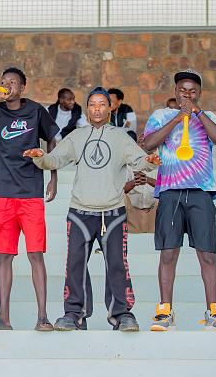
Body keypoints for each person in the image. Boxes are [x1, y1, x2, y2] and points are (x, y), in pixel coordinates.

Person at [23, 87, 160, 332]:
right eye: (93, 104)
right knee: (75, 264)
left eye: (102, 104)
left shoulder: (120, 137)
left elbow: (139, 161)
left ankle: (122, 315)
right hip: (80, 212)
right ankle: (74, 314)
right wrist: (40, 156)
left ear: (110, 109)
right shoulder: (77, 136)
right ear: (87, 110)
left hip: (113, 212)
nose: (97, 109)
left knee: (117, 265)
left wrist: (149, 161)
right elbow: (55, 159)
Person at [0, 67, 57, 331]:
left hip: (30, 192)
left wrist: (53, 176)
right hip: (2, 193)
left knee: (36, 254)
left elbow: (52, 140)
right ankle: (4, 318)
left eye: (13, 83)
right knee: (5, 256)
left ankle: (42, 317)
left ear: (23, 87)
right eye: (3, 82)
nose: (8, 86)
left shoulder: (36, 110)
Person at [143, 69, 216, 331]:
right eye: (183, 90)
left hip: (200, 192)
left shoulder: (209, 116)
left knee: (207, 254)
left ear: (199, 93)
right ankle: (165, 311)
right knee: (168, 253)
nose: (187, 94)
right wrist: (178, 117)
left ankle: (214, 311)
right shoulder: (161, 116)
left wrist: (197, 113)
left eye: (193, 91)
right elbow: (148, 144)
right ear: (175, 91)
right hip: (170, 192)